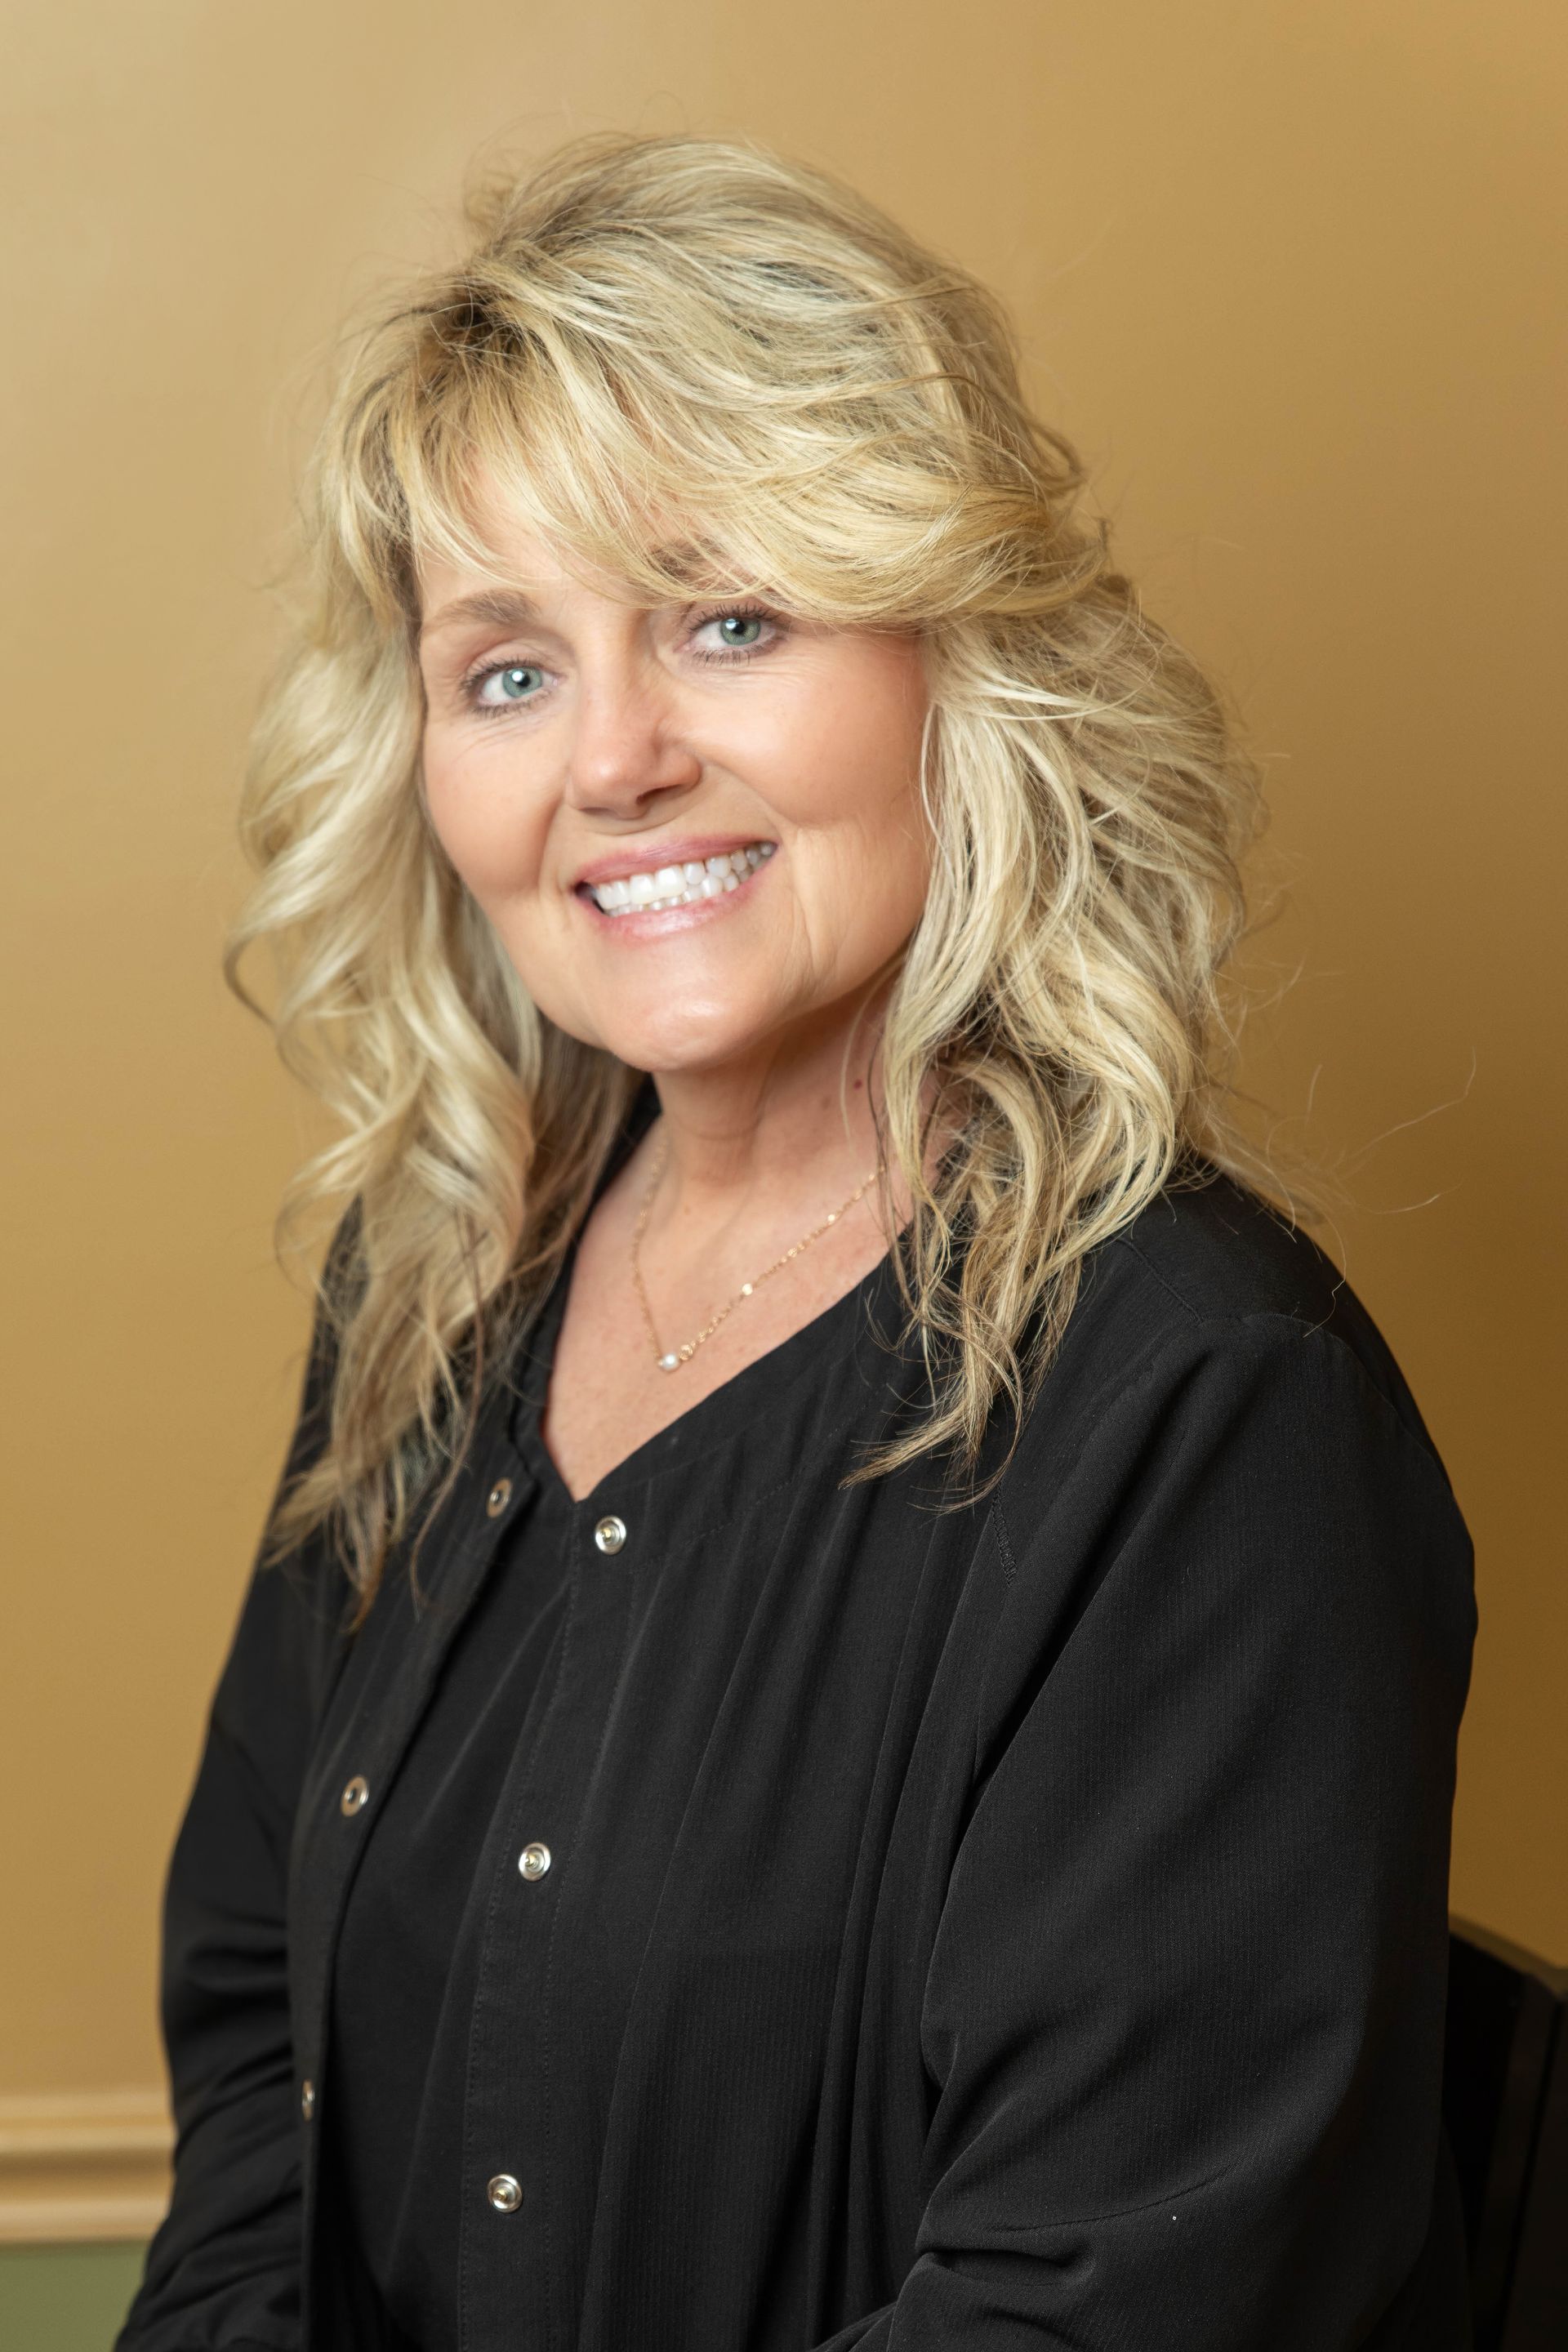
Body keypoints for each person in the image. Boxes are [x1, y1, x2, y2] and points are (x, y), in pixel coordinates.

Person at [115, 132, 1476, 2352]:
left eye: (728, 619)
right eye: (509, 669)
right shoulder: (434, 1301)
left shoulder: (1207, 1414)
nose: (618, 760)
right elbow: (263, 2075)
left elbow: (1092, 2310)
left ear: (958, 657)